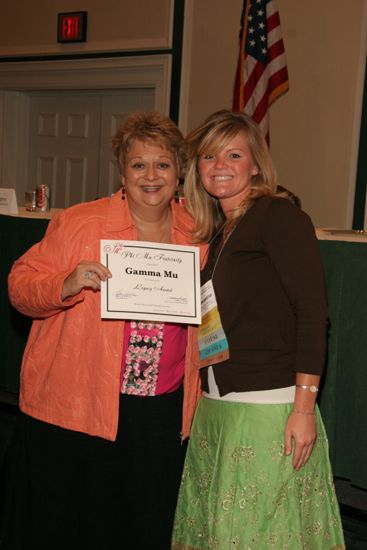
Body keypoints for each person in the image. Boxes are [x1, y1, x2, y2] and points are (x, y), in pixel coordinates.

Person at [4, 111, 206, 550]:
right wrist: (66, 283)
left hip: (161, 406)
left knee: (144, 518)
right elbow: (20, 287)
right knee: (79, 522)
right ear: (122, 171)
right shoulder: (81, 223)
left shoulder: (198, 229)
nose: (150, 176)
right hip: (81, 403)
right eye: (138, 165)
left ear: (179, 172)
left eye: (163, 164)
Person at [171, 110, 345, 549]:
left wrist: (304, 410)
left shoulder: (277, 216)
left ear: (255, 165)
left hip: (267, 410)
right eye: (209, 155)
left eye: (234, 154)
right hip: (216, 408)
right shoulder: (219, 232)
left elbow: (312, 313)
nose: (220, 165)